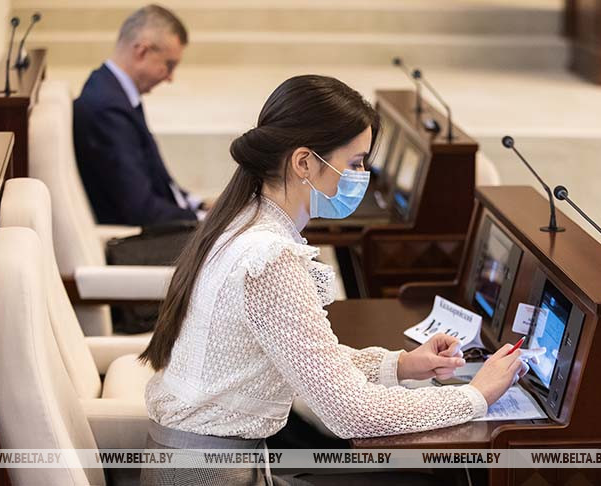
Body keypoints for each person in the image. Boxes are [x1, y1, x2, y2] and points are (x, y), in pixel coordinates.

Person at [138, 75, 526, 485]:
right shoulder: (270, 259)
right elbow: (351, 413)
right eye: (355, 163)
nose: (362, 176)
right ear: (304, 162)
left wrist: (403, 365)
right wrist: (475, 396)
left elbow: (310, 363)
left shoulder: (242, 219)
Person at [74, 4, 205, 226]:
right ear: (142, 51)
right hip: (141, 241)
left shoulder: (112, 91)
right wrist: (203, 221)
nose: (170, 77)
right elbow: (141, 209)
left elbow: (157, 178)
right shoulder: (107, 109)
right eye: (169, 65)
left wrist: (198, 205)